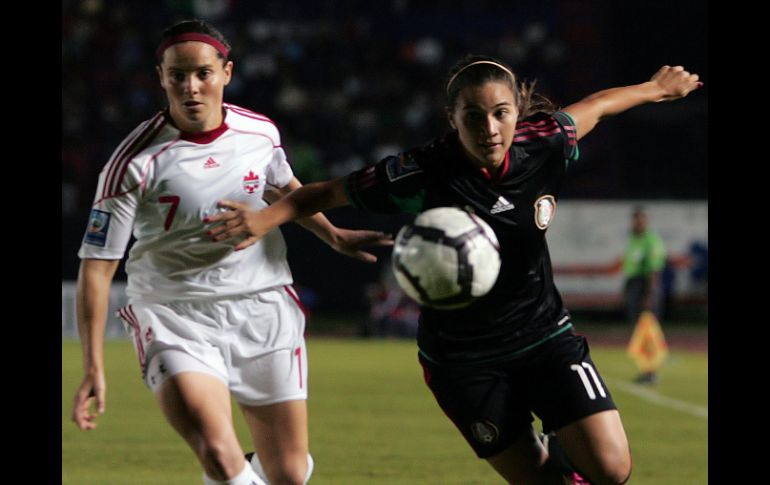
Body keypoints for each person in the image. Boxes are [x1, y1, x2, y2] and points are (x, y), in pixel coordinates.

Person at [205, 54, 702, 484]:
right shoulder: (424, 171)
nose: (489, 129)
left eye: (501, 113)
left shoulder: (544, 142)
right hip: (463, 361)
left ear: (518, 111)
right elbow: (325, 192)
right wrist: (271, 220)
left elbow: (596, 106)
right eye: (473, 116)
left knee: (612, 469)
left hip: (544, 335)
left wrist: (655, 89)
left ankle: (565, 435)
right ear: (452, 118)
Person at [70, 19, 391, 485]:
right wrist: (93, 366)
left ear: (226, 72)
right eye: (177, 75)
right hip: (174, 314)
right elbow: (97, 270)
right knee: (221, 458)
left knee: (290, 473)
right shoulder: (132, 163)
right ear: (161, 78)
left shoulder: (259, 133)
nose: (190, 86)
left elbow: (284, 188)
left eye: (203, 73)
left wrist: (333, 235)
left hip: (262, 307)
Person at [622, 207, 668, 384]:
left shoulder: (651, 241)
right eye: (635, 220)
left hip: (645, 287)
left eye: (640, 220)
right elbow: (630, 267)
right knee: (639, 330)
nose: (637, 224)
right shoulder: (634, 239)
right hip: (635, 285)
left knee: (648, 331)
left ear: (646, 221)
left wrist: (649, 295)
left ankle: (651, 371)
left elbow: (654, 270)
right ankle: (645, 369)